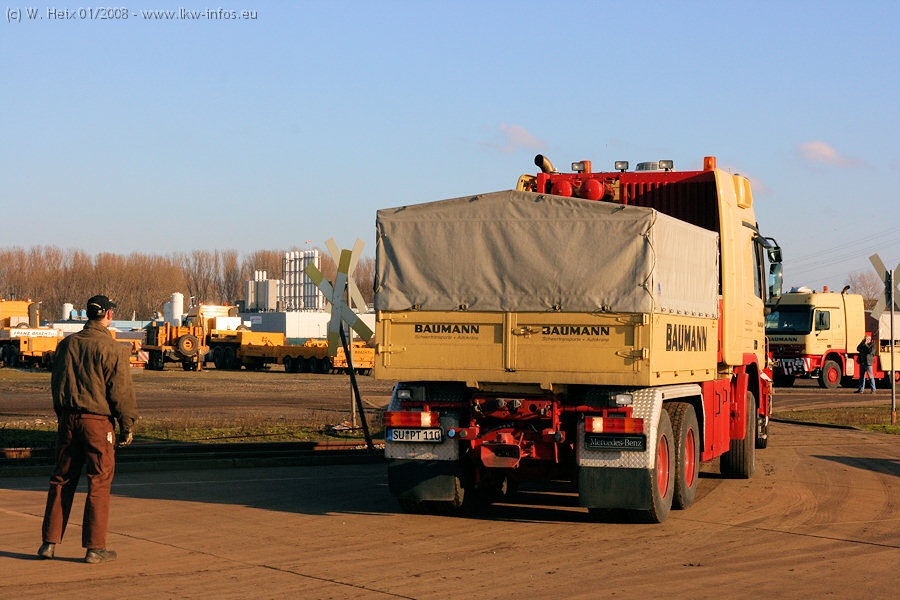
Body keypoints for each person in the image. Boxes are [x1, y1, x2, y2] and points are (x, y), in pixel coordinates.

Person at [37, 295, 139, 564]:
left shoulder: (66, 345)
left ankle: (49, 542)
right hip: (97, 423)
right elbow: (121, 392)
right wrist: (126, 423)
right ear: (108, 314)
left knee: (61, 479)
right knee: (99, 482)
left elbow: (56, 384)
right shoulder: (113, 348)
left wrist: (63, 416)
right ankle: (95, 548)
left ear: (87, 315)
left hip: (68, 420)